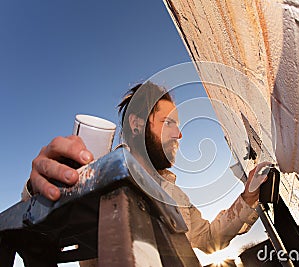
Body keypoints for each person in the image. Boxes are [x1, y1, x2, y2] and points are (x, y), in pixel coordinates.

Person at [22, 82, 271, 264]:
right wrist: (36, 188)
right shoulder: (95, 178)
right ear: (137, 123)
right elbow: (39, 225)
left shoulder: (175, 194)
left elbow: (207, 238)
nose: (179, 134)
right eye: (169, 122)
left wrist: (248, 198)